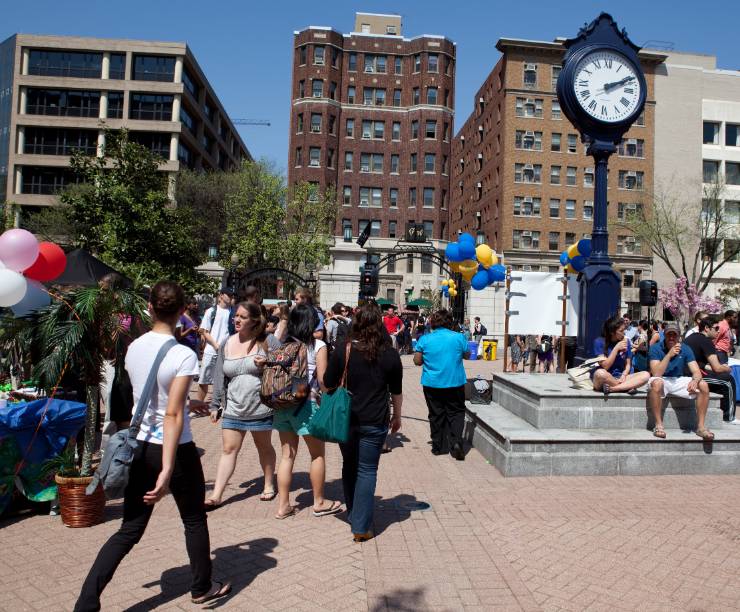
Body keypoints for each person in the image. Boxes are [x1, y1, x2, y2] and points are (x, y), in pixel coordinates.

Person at [75, 282, 230, 611]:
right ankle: (202, 587)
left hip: (140, 444)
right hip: (175, 448)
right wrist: (169, 468)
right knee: (193, 519)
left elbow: (154, 399)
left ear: (150, 307)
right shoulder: (183, 353)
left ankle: (87, 601)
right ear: (182, 312)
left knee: (129, 529)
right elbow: (171, 413)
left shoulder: (135, 347)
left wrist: (189, 407)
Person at [324, 302, 403, 542]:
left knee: (349, 465)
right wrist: (397, 416)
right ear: (379, 325)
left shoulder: (344, 349)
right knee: (367, 470)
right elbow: (396, 391)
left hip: (346, 418)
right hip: (375, 419)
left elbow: (328, 382)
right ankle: (361, 524)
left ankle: (354, 514)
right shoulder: (389, 353)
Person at [266, 304, 341, 519]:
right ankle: (319, 501)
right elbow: (323, 381)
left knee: (287, 455)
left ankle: (283, 506)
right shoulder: (317, 345)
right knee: (317, 454)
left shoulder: (282, 345)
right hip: (305, 403)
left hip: (283, 404)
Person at [205, 302, 279, 509]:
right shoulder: (227, 342)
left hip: (260, 407)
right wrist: (215, 404)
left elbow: (284, 363)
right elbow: (219, 375)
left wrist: (267, 364)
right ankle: (217, 494)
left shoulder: (267, 341)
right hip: (233, 408)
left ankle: (268, 484)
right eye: (236, 316)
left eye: (242, 317)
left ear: (254, 320)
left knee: (263, 447)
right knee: (228, 449)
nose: (237, 319)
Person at [413, 309, 470, 460]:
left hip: (432, 383)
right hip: (455, 382)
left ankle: (438, 446)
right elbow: (468, 354)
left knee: (436, 414)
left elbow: (417, 361)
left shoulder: (425, 339)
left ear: (433, 322)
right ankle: (456, 442)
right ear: (450, 322)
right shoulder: (459, 337)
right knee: (456, 412)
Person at [648, 321, 713, 440]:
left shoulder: (686, 349)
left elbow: (696, 372)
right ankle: (658, 425)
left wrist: (695, 380)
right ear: (665, 335)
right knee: (656, 383)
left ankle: (701, 427)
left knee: (703, 385)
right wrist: (669, 355)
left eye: (674, 335)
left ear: (679, 336)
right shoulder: (655, 348)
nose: (671, 337)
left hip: (678, 379)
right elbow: (656, 373)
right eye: (669, 335)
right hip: (662, 379)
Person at [684, 315, 739, 423]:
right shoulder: (706, 341)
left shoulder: (693, 337)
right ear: (706, 328)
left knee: (719, 380)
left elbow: (697, 361)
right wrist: (727, 369)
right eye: (716, 328)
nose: (718, 331)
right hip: (690, 376)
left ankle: (718, 412)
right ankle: (729, 417)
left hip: (687, 372)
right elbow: (717, 368)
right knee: (728, 380)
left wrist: (709, 367)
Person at [591, 315, 650, 395]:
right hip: (605, 378)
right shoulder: (599, 342)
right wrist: (616, 348)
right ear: (612, 332)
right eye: (621, 331)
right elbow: (605, 366)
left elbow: (628, 364)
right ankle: (626, 387)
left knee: (646, 375)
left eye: (624, 330)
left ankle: (613, 389)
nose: (624, 333)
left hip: (621, 377)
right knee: (599, 373)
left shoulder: (626, 341)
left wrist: (624, 375)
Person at [197, 288, 234, 402]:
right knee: (204, 380)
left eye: (232, 295)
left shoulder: (233, 312)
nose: (230, 297)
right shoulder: (211, 311)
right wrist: (216, 345)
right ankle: (199, 404)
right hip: (211, 351)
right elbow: (204, 331)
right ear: (221, 295)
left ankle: (220, 405)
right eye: (228, 294)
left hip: (227, 352)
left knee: (223, 381)